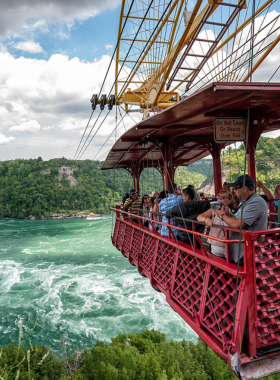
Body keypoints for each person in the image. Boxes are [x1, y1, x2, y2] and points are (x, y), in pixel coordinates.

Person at [215, 175, 268, 263]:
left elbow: (237, 224)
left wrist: (222, 216)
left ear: (245, 188)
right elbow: (237, 219)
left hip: (247, 253)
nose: (234, 191)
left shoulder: (256, 202)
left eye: (236, 188)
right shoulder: (245, 201)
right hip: (239, 252)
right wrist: (227, 214)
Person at [197, 190, 233, 258]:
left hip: (231, 247)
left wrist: (227, 214)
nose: (220, 199)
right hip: (216, 246)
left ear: (229, 200)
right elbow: (199, 217)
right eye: (218, 197)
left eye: (223, 197)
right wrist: (206, 219)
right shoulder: (213, 210)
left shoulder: (233, 211)